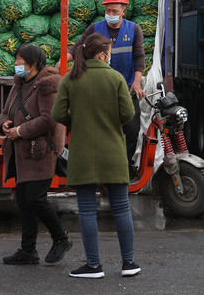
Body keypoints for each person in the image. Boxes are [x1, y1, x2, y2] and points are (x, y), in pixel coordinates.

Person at [53, 32, 140, 279]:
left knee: (87, 210)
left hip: (82, 152)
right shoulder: (115, 78)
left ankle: (93, 266)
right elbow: (128, 113)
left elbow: (58, 114)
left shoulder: (71, 78)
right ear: (102, 54)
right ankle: (129, 263)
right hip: (113, 150)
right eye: (109, 53)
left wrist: (77, 121)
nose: (110, 57)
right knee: (121, 208)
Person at [0, 43, 72, 265]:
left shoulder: (49, 84)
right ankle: (28, 250)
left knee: (35, 199)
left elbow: (50, 119)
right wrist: (5, 124)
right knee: (23, 199)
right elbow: (6, 111)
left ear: (33, 64)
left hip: (40, 151)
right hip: (21, 152)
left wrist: (19, 131)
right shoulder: (19, 83)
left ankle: (61, 239)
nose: (16, 64)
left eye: (19, 60)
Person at [68, 0, 146, 180]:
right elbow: (77, 46)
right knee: (101, 130)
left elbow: (139, 57)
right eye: (108, 10)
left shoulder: (134, 29)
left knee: (131, 128)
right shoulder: (95, 28)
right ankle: (100, 169)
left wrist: (137, 82)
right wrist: (65, 59)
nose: (110, 14)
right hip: (99, 89)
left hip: (126, 89)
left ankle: (126, 165)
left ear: (124, 11)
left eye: (114, 11)